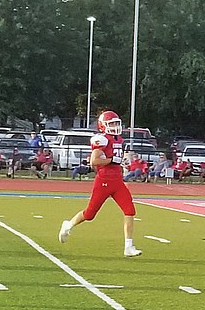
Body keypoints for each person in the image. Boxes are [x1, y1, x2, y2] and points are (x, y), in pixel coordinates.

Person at [58, 110, 142, 258]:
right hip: (104, 180)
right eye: (112, 124)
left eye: (116, 123)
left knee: (129, 210)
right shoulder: (102, 139)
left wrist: (122, 162)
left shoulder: (119, 140)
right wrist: (111, 160)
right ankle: (68, 225)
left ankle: (128, 246)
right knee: (90, 214)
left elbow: (117, 158)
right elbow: (94, 162)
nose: (115, 126)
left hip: (117, 181)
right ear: (103, 126)